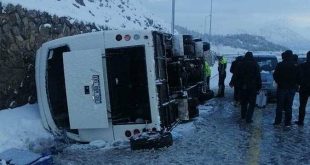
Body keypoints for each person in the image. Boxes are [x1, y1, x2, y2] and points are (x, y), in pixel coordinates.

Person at [273, 50, 299, 127]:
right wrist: (295, 84)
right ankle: (287, 122)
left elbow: (275, 75)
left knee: (279, 106)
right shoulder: (295, 65)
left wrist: (279, 82)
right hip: (291, 88)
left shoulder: (280, 64)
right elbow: (299, 77)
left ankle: (278, 121)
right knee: (289, 106)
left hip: (282, 88)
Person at [235, 52, 261, 123]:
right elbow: (258, 76)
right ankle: (248, 118)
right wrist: (259, 86)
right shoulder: (255, 64)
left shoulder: (241, 64)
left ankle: (243, 116)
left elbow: (236, 76)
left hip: (243, 86)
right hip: (253, 87)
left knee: (244, 102)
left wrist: (238, 85)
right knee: (252, 104)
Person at [295, 51, 310, 126]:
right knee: (302, 106)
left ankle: (301, 121)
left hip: (304, 88)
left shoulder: (302, 66)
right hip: (304, 87)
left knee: (302, 106)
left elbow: (297, 77)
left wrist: (299, 83)